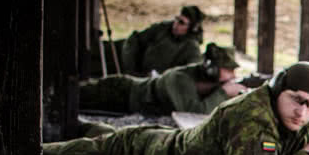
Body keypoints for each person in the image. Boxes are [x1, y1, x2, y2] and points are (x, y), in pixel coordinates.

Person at [44, 61, 309, 155]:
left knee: (86, 140)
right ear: (277, 90)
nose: (302, 112)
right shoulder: (252, 114)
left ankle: (76, 126)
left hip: (161, 145)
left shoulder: (298, 122)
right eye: (296, 99)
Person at [79, 43, 247, 115]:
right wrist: (223, 93)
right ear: (211, 69)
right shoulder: (180, 78)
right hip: (120, 92)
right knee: (75, 95)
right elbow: (193, 111)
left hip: (126, 98)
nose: (233, 75)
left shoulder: (205, 81)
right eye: (229, 70)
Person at [116, 5, 206, 76]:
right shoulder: (163, 28)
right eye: (176, 19)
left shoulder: (192, 50)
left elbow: (188, 76)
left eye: (181, 22)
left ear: (191, 28)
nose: (175, 24)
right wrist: (130, 69)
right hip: (135, 70)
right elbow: (135, 39)